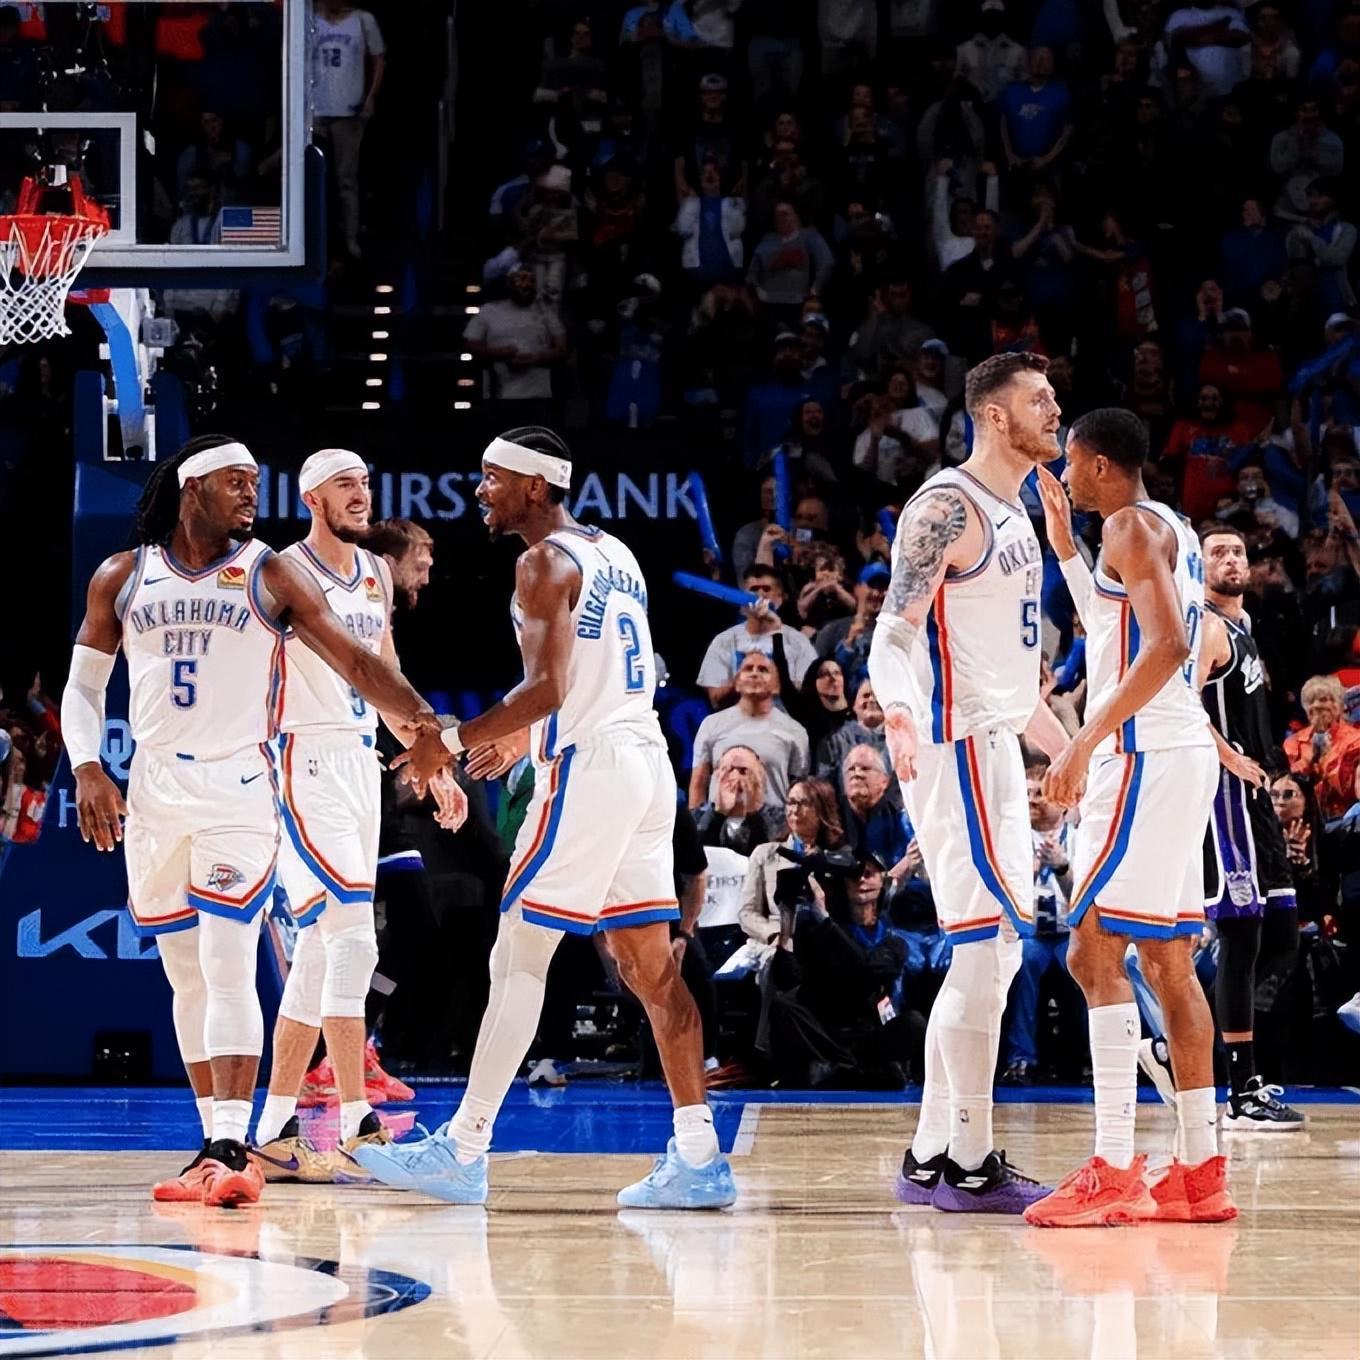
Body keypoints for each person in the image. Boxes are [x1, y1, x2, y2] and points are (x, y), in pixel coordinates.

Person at [354, 426, 735, 1209]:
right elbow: (597, 677)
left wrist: (446, 743)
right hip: (644, 763)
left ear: (533, 486)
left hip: (591, 770)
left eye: (491, 478)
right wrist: (523, 732)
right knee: (650, 968)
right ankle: (700, 1157)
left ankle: (463, 1149)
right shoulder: (614, 553)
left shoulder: (539, 563)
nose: (479, 491)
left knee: (519, 957)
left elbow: (551, 690)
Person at [63, 436, 438, 1207]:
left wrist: (429, 728)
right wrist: (88, 766)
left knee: (234, 956)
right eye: (235, 482)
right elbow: (83, 688)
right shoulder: (123, 575)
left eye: (256, 483)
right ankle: (217, 1141)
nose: (250, 495)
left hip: (244, 783)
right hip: (156, 789)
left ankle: (241, 1142)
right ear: (191, 488)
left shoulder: (269, 571)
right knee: (187, 974)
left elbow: (358, 662)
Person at [867, 351, 1069, 1214]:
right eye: (1039, 399)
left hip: (994, 739)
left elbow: (1011, 682)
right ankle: (972, 1166)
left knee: (996, 952)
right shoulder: (946, 506)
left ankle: (929, 1157)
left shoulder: (1017, 510)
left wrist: (1073, 748)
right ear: (993, 414)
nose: (1054, 410)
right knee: (986, 950)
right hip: (955, 746)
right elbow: (893, 631)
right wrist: (898, 708)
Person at [1027, 409, 1235, 1228]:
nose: (1064, 475)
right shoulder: (1165, 525)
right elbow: (1117, 629)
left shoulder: (1128, 526)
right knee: (1169, 963)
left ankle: (1113, 1168)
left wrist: (1082, 741)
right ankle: (1199, 1172)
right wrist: (1063, 550)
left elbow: (1167, 647)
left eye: (1071, 463)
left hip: (1144, 754)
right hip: (1175, 753)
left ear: (1102, 466)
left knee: (1090, 950)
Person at [251, 450, 469, 1185]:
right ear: (312, 496)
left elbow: (387, 677)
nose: (361, 494)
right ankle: (356, 1125)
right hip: (300, 757)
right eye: (346, 484)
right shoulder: (282, 572)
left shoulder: (375, 571)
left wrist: (432, 764)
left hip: (357, 761)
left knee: (320, 952)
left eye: (367, 484)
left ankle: (274, 1131)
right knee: (353, 939)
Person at [1002, 751, 1077, 1085]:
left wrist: (1063, 867)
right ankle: (1021, 1058)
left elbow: (1085, 897)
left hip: (1070, 931)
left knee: (1085, 964)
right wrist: (1029, 873)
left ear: (1062, 801)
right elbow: (1006, 895)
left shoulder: (1078, 837)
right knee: (1024, 961)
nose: (1032, 800)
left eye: (1040, 794)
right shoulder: (1013, 839)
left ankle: (1084, 1056)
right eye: (1028, 794)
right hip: (1030, 934)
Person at [689, 652, 810, 823]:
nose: (755, 673)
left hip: (773, 827)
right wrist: (697, 827)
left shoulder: (795, 731)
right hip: (719, 824)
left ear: (776, 685)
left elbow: (799, 789)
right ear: (737, 683)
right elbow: (698, 782)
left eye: (763, 670)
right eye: (748, 669)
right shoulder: (711, 724)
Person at [311, 0, 386, 260]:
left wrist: (371, 97)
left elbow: (379, 59)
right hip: (316, 110)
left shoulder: (363, 20)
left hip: (348, 111)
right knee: (315, 177)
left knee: (346, 179)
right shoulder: (309, 20)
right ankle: (315, 237)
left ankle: (350, 238)